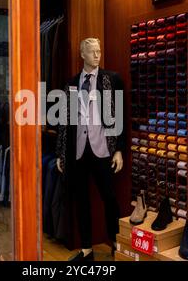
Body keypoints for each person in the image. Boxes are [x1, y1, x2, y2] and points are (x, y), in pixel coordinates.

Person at [56, 38, 125, 261]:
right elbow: (65, 120)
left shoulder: (111, 79)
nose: (97, 55)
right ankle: (86, 248)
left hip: (103, 148)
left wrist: (119, 150)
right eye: (92, 52)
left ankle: (115, 241)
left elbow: (121, 116)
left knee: (109, 197)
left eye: (99, 51)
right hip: (78, 151)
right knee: (81, 200)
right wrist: (61, 152)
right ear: (82, 54)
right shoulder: (72, 83)